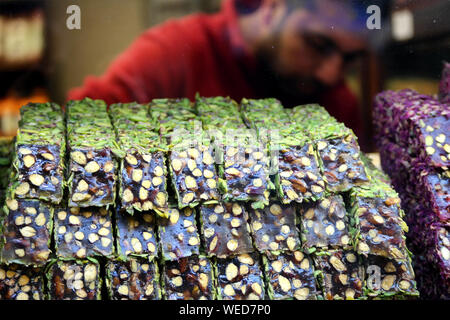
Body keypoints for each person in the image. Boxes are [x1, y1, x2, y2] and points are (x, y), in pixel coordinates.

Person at [68, 0, 389, 145]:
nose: (332, 74)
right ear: (271, 7)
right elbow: (77, 127)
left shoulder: (338, 103)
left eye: (351, 59)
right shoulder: (176, 50)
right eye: (318, 44)